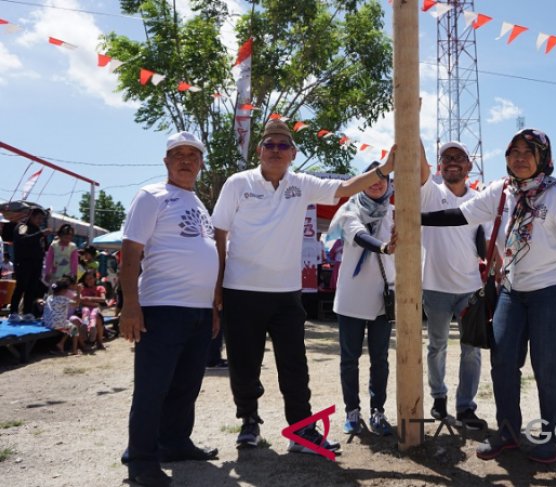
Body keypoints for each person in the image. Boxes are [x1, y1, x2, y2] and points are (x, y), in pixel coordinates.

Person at [422, 128, 556, 464]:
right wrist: (414, 219)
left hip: (553, 292)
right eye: (514, 152)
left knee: (549, 365)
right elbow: (460, 215)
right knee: (503, 361)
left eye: (529, 152)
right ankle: (508, 432)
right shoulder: (502, 191)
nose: (521, 158)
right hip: (513, 290)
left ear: (543, 158)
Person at [211, 119, 396, 455]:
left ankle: (301, 431)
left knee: (295, 366)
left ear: (293, 154)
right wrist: (218, 285)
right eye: (270, 144)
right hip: (241, 290)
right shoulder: (238, 183)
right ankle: (249, 422)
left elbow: (345, 188)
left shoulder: (302, 184)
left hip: (286, 293)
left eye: (284, 146)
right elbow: (219, 232)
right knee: (244, 363)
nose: (276, 150)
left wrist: (382, 170)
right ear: (259, 150)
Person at [119, 131, 219, 487]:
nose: (186, 160)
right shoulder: (152, 196)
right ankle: (142, 461)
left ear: (201, 163)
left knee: (186, 386)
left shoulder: (198, 202)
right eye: (178, 154)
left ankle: (174, 443)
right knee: (152, 388)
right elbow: (130, 253)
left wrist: (212, 307)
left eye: (193, 155)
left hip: (198, 312)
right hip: (161, 308)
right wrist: (131, 305)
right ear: (166, 161)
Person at [419, 140, 488, 430]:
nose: (453, 162)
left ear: (469, 166)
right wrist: (412, 120)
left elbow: (487, 240)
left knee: (471, 349)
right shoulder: (430, 193)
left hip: (470, 287)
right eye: (447, 158)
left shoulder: (480, 200)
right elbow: (418, 163)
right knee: (437, 346)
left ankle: (465, 407)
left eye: (459, 157)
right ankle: (439, 398)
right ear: (439, 165)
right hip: (434, 286)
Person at [328, 161, 397, 436]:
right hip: (352, 297)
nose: (377, 183)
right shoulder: (348, 210)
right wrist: (384, 247)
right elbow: (358, 235)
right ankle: (352, 411)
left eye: (383, 178)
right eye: (372, 178)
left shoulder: (396, 212)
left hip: (383, 297)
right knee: (349, 358)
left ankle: (377, 410)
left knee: (380, 358)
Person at [9, 208, 51, 318]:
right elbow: (22, 239)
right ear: (31, 216)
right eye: (38, 218)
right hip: (23, 262)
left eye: (42, 219)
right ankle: (13, 312)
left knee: (32, 288)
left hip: (37, 263)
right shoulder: (23, 226)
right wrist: (40, 234)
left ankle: (27, 312)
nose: (40, 221)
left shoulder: (38, 229)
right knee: (21, 287)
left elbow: (45, 247)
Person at [42, 276, 84, 355]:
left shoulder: (49, 297)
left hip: (47, 322)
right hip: (57, 323)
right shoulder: (63, 298)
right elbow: (77, 304)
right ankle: (74, 350)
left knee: (68, 327)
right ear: (64, 290)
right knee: (74, 329)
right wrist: (78, 292)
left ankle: (61, 343)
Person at [77, 270, 107, 350]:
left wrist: (89, 298)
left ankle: (99, 341)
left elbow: (103, 299)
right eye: (86, 279)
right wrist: (94, 303)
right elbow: (80, 300)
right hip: (85, 309)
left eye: (91, 278)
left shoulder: (99, 288)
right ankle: (87, 340)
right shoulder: (82, 288)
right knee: (86, 312)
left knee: (98, 319)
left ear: (95, 278)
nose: (88, 281)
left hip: (95, 310)